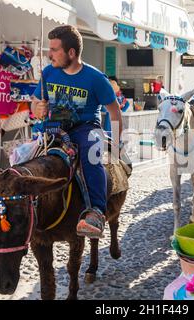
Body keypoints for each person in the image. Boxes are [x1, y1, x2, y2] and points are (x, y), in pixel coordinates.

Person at [32, 25, 122, 239]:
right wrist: (38, 108)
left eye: (54, 49)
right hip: (53, 129)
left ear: (71, 53)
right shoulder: (48, 72)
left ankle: (96, 212)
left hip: (85, 129)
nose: (49, 54)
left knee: (91, 157)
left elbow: (116, 113)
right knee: (23, 161)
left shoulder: (96, 79)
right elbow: (35, 102)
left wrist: (117, 146)